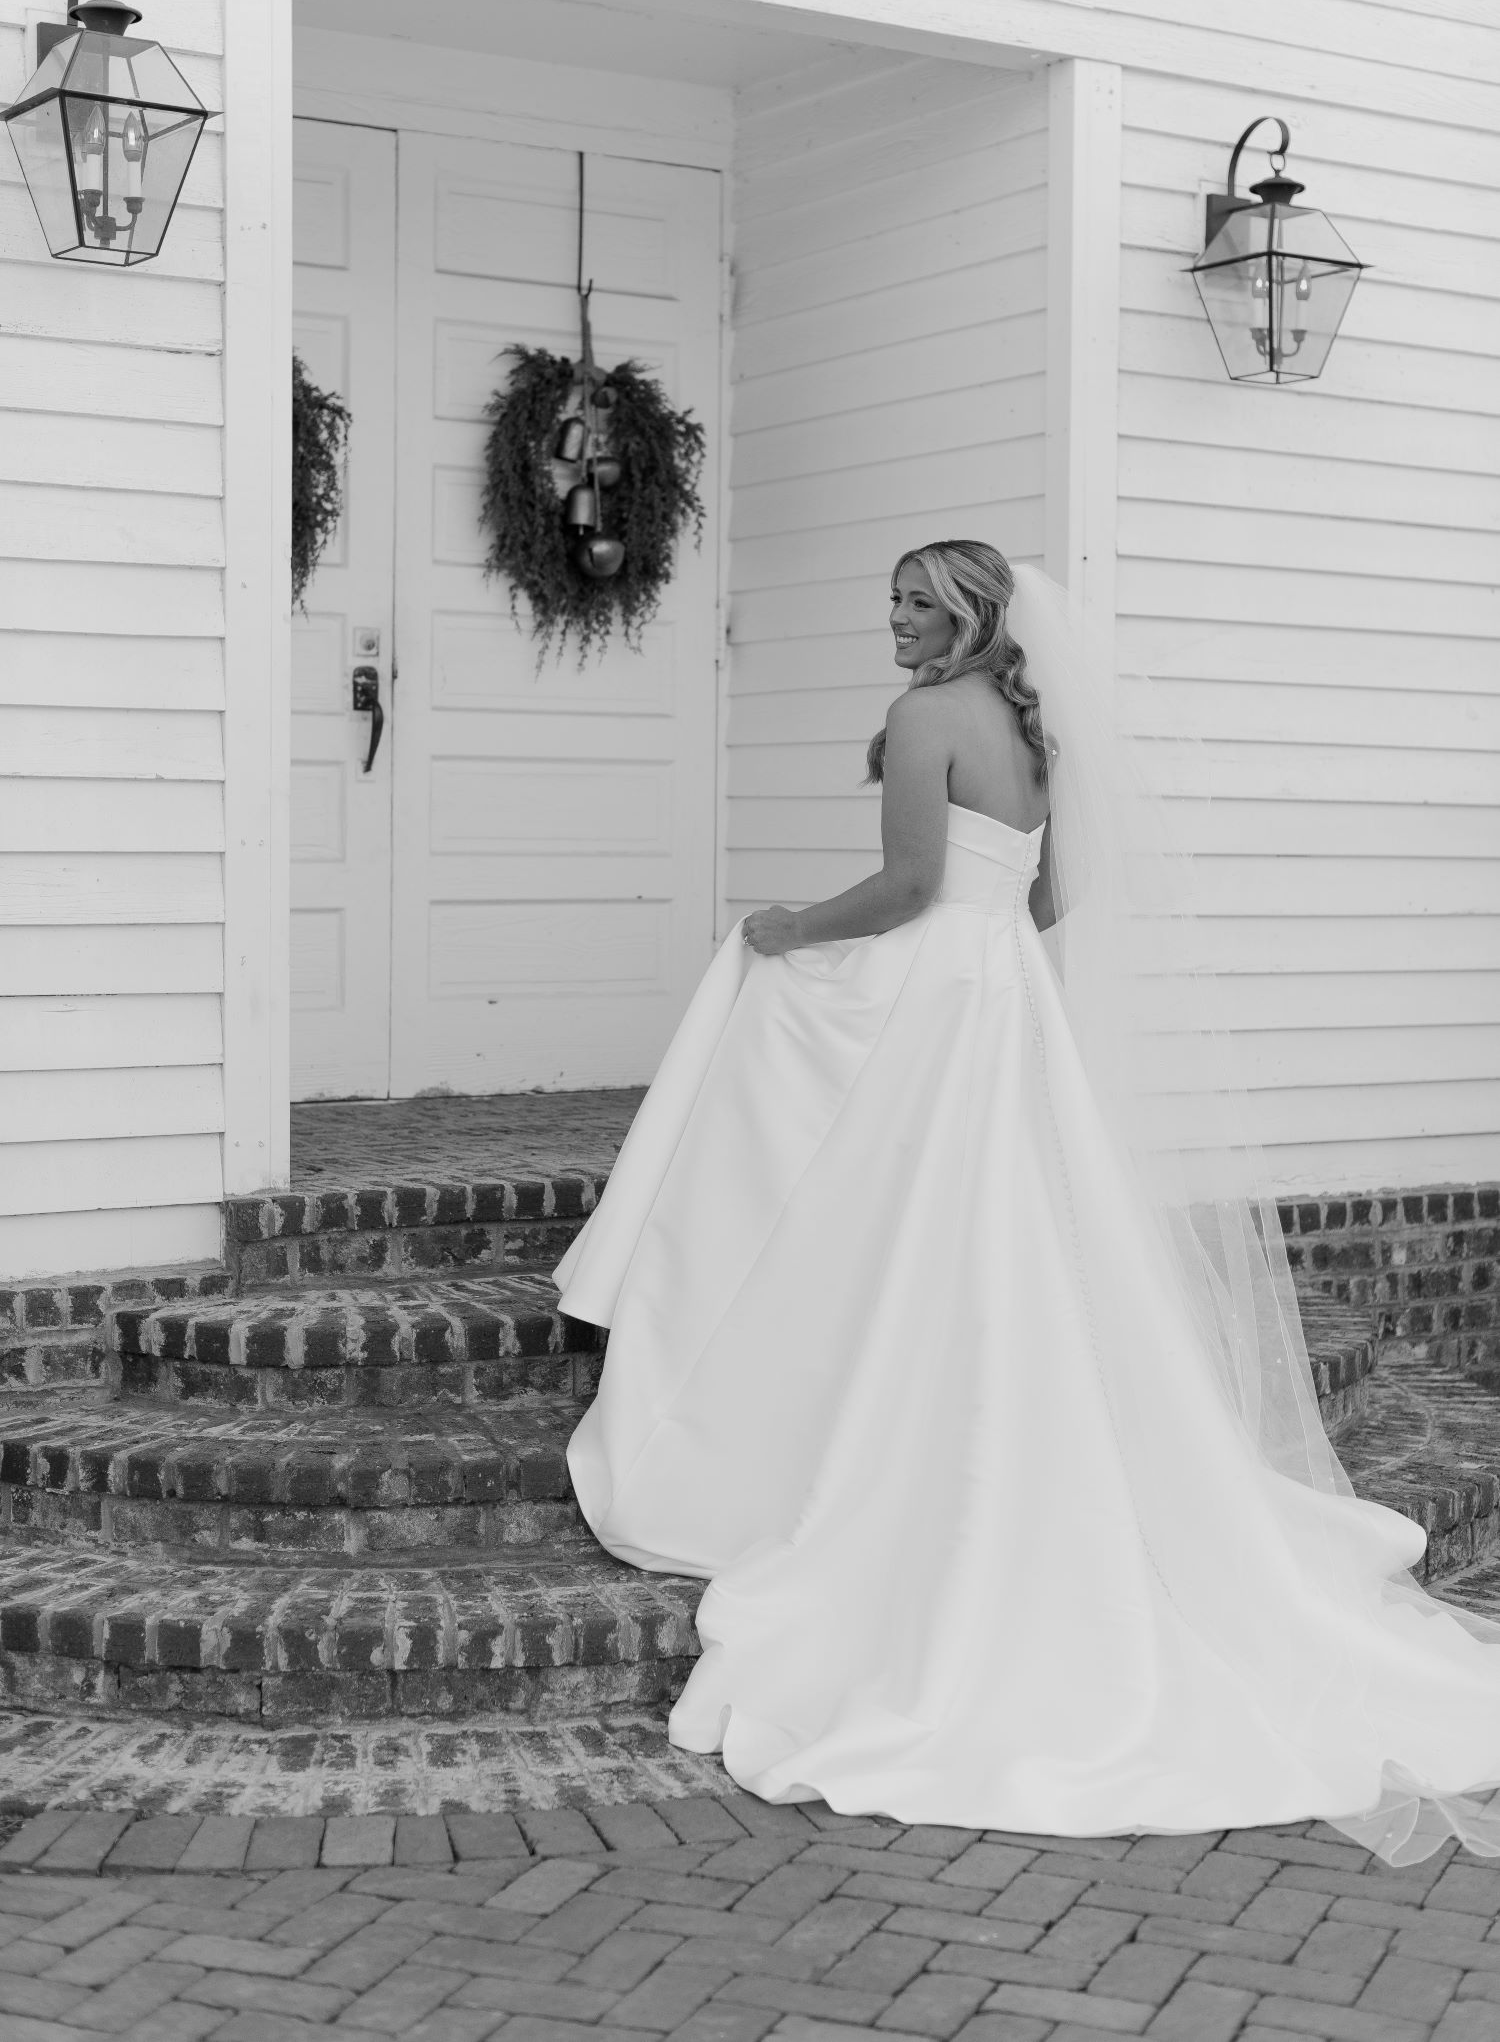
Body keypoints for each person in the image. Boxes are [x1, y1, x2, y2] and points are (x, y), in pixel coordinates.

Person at [555, 539, 1500, 1866]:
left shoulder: (922, 719)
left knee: (838, 1131)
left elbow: (905, 890)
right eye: (888, 598)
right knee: (1009, 1240)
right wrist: (991, 953)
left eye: (915, 604)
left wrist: (788, 927)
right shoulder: (1028, 725)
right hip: (1007, 1001)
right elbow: (1058, 890)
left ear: (969, 615)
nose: (893, 621)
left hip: (942, 995)